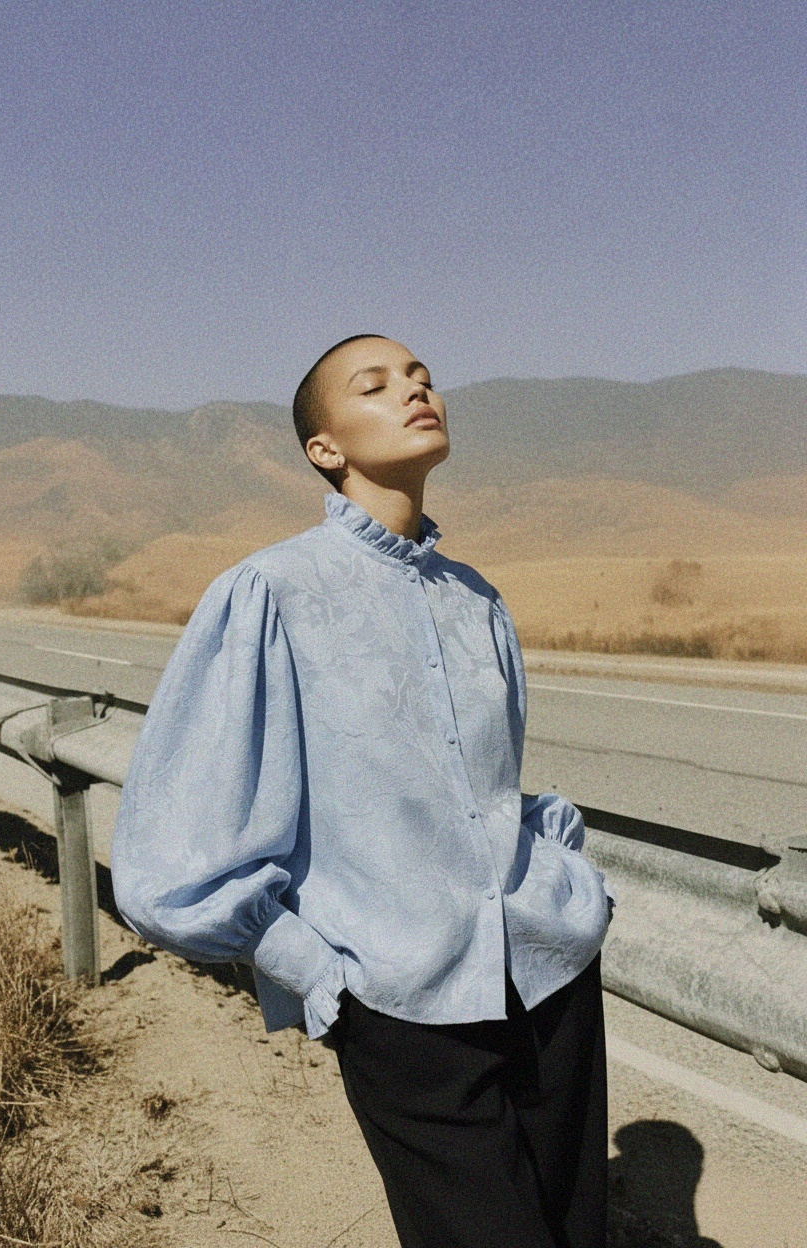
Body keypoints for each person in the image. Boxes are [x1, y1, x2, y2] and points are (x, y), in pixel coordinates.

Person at [111, 335, 613, 1248]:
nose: (415, 389)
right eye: (374, 385)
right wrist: (313, 970)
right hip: (399, 1001)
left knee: (575, 1233)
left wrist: (567, 871)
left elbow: (487, 793)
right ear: (324, 449)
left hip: (548, 973)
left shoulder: (478, 599)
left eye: (421, 376)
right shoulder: (269, 592)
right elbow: (167, 860)